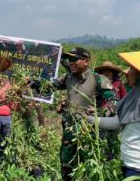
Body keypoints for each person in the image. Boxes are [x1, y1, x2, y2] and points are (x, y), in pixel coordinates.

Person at [88, 50, 140, 180]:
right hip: (129, 164)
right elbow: (116, 122)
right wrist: (89, 119)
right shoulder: (132, 96)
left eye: (132, 68)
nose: (128, 72)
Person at [44, 47, 116, 181]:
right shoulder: (67, 78)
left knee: (90, 166)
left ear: (86, 61)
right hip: (69, 133)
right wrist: (34, 83)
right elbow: (48, 87)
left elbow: (115, 101)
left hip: (91, 133)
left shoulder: (98, 79)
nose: (70, 62)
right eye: (69, 59)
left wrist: (100, 112)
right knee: (67, 166)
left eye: (74, 59)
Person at [94, 61, 127, 159]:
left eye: (109, 71)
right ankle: (102, 158)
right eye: (104, 71)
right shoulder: (97, 84)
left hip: (115, 116)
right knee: (101, 138)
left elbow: (124, 98)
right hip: (101, 115)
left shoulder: (118, 84)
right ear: (101, 73)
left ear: (113, 72)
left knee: (114, 138)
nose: (107, 73)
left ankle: (113, 158)